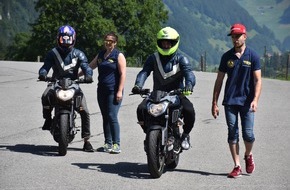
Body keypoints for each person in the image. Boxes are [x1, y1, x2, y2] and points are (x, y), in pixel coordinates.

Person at [131, 26, 196, 150]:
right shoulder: (153, 58)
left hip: (177, 94)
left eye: (168, 43)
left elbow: (189, 74)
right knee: (141, 109)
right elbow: (144, 72)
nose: (166, 45)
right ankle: (149, 133)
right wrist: (138, 85)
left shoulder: (182, 59)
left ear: (174, 43)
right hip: (157, 94)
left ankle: (186, 135)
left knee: (189, 110)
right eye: (163, 43)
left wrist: (189, 85)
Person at [211, 23, 262, 178]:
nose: (235, 39)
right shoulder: (226, 57)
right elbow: (219, 80)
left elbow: (258, 80)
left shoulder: (253, 56)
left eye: (238, 36)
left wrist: (255, 99)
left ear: (244, 36)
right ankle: (237, 165)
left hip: (247, 103)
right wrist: (214, 103)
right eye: (233, 36)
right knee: (232, 134)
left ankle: (248, 154)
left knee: (248, 135)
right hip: (230, 102)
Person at [38, 25, 94, 152]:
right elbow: (45, 66)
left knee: (84, 110)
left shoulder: (79, 54)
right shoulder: (53, 53)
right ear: (58, 38)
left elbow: (86, 67)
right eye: (63, 38)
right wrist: (42, 73)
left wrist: (89, 75)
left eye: (68, 39)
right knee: (45, 96)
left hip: (74, 84)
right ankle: (47, 119)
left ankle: (87, 141)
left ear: (73, 39)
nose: (65, 41)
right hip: (56, 82)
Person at [82, 32, 126, 154]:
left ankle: (116, 144)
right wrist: (77, 74)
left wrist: (119, 91)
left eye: (111, 41)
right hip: (101, 90)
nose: (108, 43)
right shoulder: (101, 55)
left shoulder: (119, 55)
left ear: (115, 43)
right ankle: (108, 143)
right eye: (106, 40)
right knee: (105, 117)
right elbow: (90, 66)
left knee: (112, 116)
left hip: (114, 90)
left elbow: (123, 74)